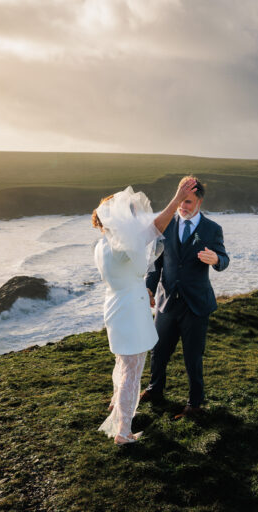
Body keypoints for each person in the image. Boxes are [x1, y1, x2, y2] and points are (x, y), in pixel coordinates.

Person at [93, 178, 197, 445]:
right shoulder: (123, 244)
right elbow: (157, 227)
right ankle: (123, 432)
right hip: (130, 312)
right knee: (133, 370)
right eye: (130, 213)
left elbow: (123, 275)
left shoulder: (103, 245)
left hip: (117, 305)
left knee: (122, 362)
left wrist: (142, 289)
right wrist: (177, 198)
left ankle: (117, 407)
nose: (136, 217)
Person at [140, 176, 230, 419]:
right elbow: (155, 264)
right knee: (158, 351)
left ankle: (194, 404)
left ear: (199, 201)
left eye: (188, 201)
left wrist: (216, 260)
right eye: (181, 200)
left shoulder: (212, 229)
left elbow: (224, 259)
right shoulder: (166, 224)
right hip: (166, 302)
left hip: (196, 305)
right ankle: (154, 389)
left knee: (193, 357)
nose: (183, 206)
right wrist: (149, 288)